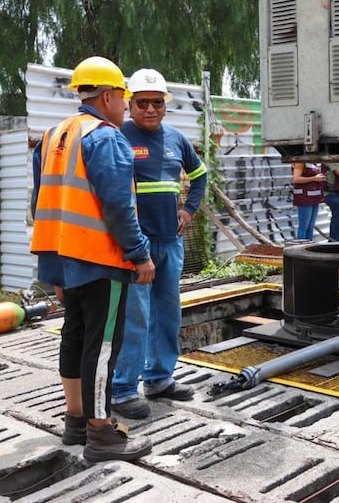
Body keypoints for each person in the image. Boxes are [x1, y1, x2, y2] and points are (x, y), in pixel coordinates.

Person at [30, 55, 156, 463]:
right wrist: (140, 256)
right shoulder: (105, 137)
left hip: (62, 258)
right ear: (107, 97)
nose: (126, 105)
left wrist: (55, 265)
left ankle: (76, 422)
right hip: (100, 260)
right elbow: (119, 207)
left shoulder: (52, 137)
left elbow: (40, 202)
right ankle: (101, 436)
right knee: (102, 347)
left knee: (75, 335)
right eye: (124, 97)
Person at [111, 68, 208, 420]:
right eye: (142, 103)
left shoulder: (176, 140)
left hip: (170, 242)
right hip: (137, 246)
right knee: (136, 318)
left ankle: (159, 379)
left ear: (165, 105)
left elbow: (200, 176)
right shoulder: (119, 137)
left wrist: (189, 209)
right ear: (130, 104)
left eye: (156, 102)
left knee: (168, 314)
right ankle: (123, 389)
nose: (149, 109)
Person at [292, 163, 325, 241]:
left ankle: (309, 247)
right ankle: (301, 247)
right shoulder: (300, 162)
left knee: (311, 226)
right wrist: (314, 178)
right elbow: (296, 179)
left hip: (315, 197)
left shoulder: (314, 162)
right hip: (304, 198)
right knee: (304, 226)